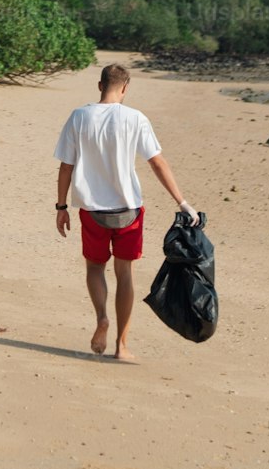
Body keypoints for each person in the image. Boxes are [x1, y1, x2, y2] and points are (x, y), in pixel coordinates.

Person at [54, 62, 198, 363]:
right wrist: (182, 202)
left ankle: (102, 318)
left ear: (99, 85)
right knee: (125, 274)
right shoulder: (135, 118)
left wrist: (61, 207)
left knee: (95, 268)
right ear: (125, 88)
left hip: (92, 210)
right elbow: (157, 163)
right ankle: (121, 345)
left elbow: (65, 167)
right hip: (129, 211)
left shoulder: (79, 116)